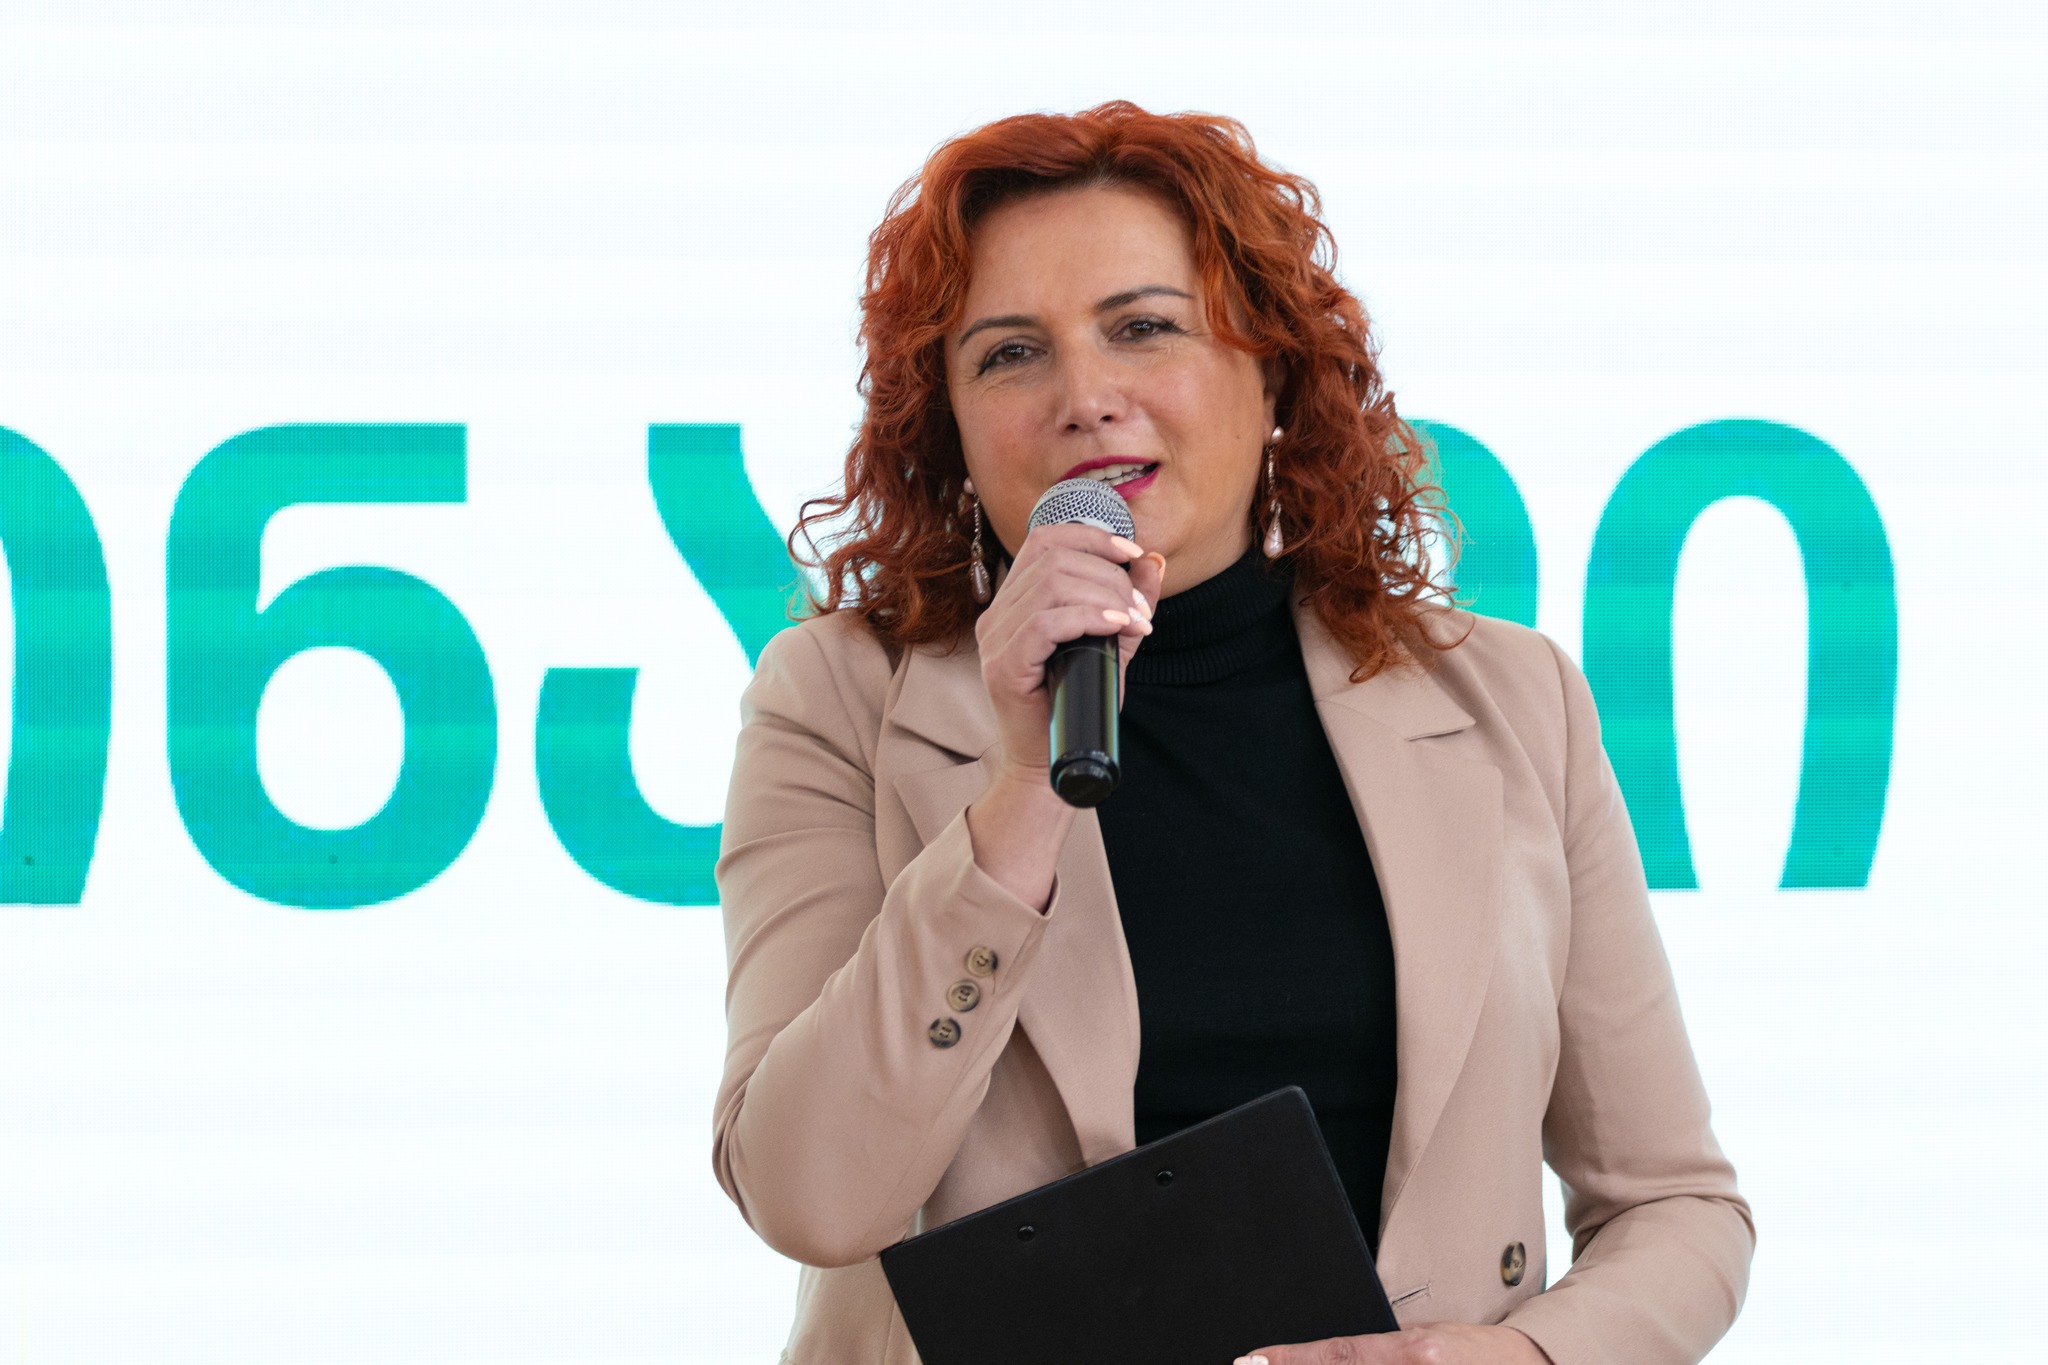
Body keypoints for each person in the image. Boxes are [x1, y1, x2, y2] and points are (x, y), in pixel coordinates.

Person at [711, 101, 1753, 1365]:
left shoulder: (1511, 698)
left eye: (1143, 328)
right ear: (950, 429)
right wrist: (1023, 787)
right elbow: (811, 1197)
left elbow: (1675, 1207)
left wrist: (1505, 1359)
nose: (1085, 399)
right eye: (1009, 354)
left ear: (1274, 376)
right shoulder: (835, 699)